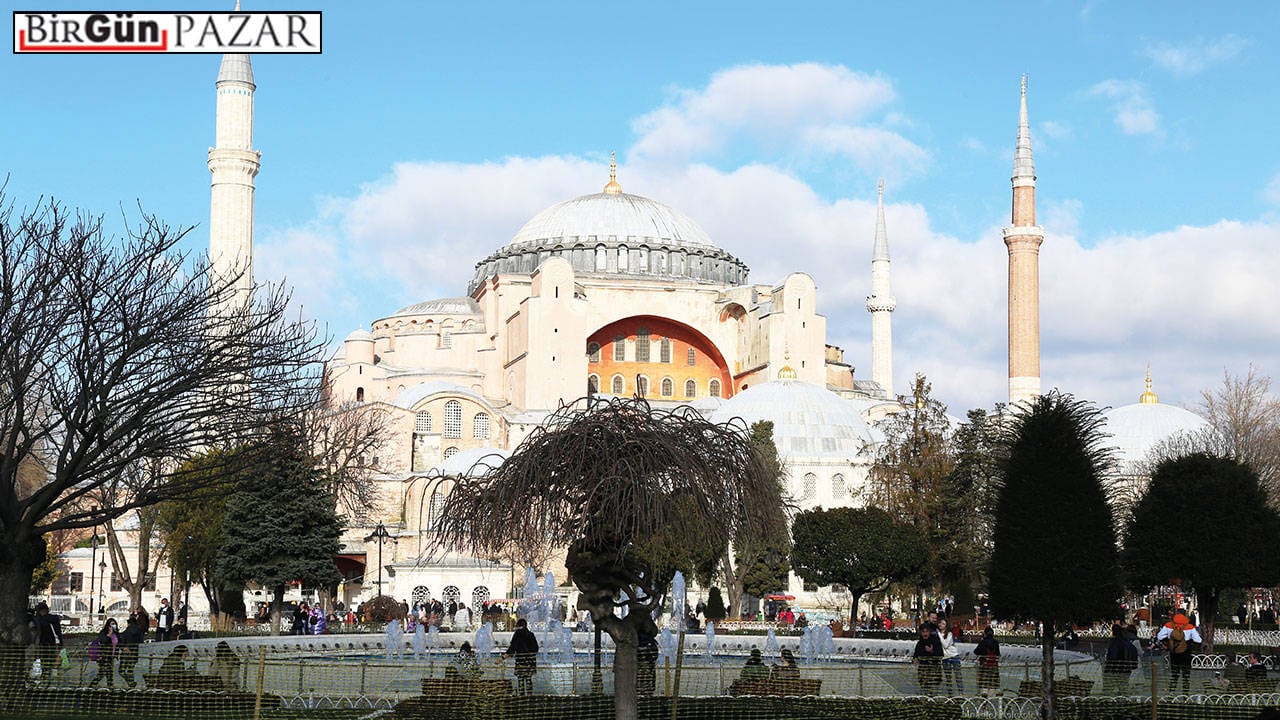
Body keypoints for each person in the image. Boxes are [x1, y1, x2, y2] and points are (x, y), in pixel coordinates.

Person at [1157, 612, 1201, 693]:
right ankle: (1185, 695)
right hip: (1186, 653)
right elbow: (1198, 640)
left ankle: (1171, 693)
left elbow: (1159, 636)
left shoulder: (1169, 625)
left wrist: (1168, 641)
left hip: (1174, 652)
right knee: (1186, 676)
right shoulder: (1190, 627)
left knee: (1174, 675)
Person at [504, 618, 539, 694]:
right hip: (530, 662)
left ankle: (522, 697)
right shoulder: (531, 634)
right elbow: (536, 649)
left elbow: (512, 647)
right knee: (529, 679)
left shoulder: (518, 634)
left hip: (520, 661)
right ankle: (530, 697)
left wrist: (503, 657)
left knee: (520, 680)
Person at [1103, 623, 1139, 693]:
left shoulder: (1114, 643)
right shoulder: (1127, 642)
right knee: (1123, 689)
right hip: (1126, 670)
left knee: (1108, 690)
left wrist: (1107, 667)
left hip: (1114, 670)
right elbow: (1134, 653)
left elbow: (1112, 657)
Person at [33, 602, 62, 683]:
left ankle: (46, 677)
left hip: (43, 644)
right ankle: (51, 677)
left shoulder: (39, 620)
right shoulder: (53, 619)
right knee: (53, 661)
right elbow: (58, 632)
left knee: (45, 661)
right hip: (52, 644)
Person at [913, 623, 944, 694]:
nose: (925, 634)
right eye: (923, 632)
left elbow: (940, 654)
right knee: (925, 690)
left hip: (934, 670)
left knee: (935, 691)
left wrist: (932, 651)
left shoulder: (935, 641)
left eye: (926, 631)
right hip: (923, 671)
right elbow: (916, 654)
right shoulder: (920, 643)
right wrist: (915, 658)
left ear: (929, 632)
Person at [91, 617, 120, 688]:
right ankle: (92, 686)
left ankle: (109, 687)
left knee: (107, 673)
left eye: (114, 624)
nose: (114, 625)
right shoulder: (103, 633)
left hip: (111, 657)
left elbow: (118, 644)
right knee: (104, 672)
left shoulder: (116, 634)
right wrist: (109, 635)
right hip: (103, 656)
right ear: (108, 625)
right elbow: (102, 641)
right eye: (112, 624)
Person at [118, 614, 145, 688]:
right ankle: (131, 685)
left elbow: (121, 642)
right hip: (134, 653)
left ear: (129, 623)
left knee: (121, 671)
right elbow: (141, 641)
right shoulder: (139, 631)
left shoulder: (126, 632)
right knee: (130, 670)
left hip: (125, 654)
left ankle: (130, 682)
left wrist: (123, 648)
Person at [973, 627, 1001, 695]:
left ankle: (984, 692)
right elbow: (998, 653)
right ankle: (995, 692)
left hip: (984, 664)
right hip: (994, 664)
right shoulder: (996, 642)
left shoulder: (983, 642)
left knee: (984, 679)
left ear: (985, 634)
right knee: (994, 678)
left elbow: (976, 651)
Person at [938, 617, 963, 694]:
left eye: (943, 623)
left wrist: (939, 634)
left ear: (946, 626)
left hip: (953, 655)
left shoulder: (949, 634)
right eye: (940, 623)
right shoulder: (937, 634)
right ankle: (950, 694)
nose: (941, 625)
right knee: (948, 677)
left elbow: (945, 645)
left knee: (958, 675)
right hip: (945, 657)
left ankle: (961, 693)